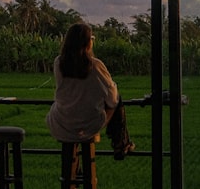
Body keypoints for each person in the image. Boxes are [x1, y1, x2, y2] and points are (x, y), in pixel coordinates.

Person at [45, 22, 134, 159]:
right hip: (88, 125)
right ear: (88, 43)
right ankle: (121, 144)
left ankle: (74, 170)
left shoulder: (59, 63)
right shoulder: (95, 65)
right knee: (117, 100)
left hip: (61, 122)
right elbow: (112, 97)